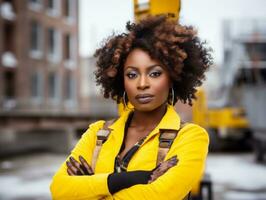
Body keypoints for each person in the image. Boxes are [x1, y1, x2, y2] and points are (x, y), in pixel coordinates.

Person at [50, 15, 212, 200]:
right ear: (121, 80)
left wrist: (91, 188)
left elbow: (161, 196)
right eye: (132, 74)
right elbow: (59, 190)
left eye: (155, 73)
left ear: (173, 78)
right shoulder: (98, 134)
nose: (142, 84)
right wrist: (131, 179)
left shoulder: (191, 137)